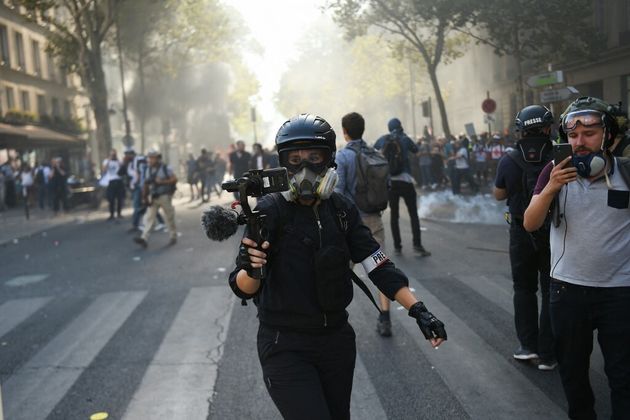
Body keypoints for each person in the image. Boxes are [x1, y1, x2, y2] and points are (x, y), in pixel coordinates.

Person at [228, 113, 447, 420]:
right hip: (285, 346)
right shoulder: (269, 211)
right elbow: (242, 286)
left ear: (329, 161)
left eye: (314, 157)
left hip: (336, 344)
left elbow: (377, 262)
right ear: (283, 164)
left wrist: (419, 310)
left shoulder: (342, 210)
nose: (304, 168)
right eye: (295, 158)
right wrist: (253, 268)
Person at [523, 97, 630, 419]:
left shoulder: (626, 173)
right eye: (573, 135)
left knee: (624, 377)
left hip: (620, 294)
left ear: (608, 135)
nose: (579, 142)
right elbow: (530, 222)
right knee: (573, 375)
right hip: (568, 292)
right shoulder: (553, 171)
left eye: (589, 133)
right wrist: (552, 187)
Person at [494, 105, 555, 370]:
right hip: (553, 231)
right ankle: (549, 353)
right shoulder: (558, 155)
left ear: (520, 129)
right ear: (547, 127)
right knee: (551, 290)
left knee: (524, 288)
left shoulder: (508, 159)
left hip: (520, 231)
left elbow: (499, 194)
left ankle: (527, 346)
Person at [335, 112, 392, 337]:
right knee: (380, 268)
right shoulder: (376, 154)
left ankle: (337, 320)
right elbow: (386, 186)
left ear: (344, 132)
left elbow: (337, 193)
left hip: (349, 225)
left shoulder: (342, 157)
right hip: (374, 220)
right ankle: (385, 318)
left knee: (341, 273)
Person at [374, 118, 430, 256]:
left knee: (394, 215)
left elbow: (374, 149)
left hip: (391, 182)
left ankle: (397, 246)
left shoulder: (384, 138)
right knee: (413, 214)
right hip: (406, 180)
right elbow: (416, 149)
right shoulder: (405, 139)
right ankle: (417, 245)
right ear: (400, 126)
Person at [134, 151, 178, 248]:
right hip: (153, 197)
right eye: (149, 158)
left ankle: (173, 236)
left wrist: (162, 181)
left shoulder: (165, 168)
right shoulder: (148, 170)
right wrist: (144, 198)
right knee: (149, 218)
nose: (150, 160)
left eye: (152, 158)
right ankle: (144, 238)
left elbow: (174, 179)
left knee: (169, 217)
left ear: (158, 158)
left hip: (164, 196)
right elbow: (146, 184)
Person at [102, 149, 125, 220]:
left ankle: (119, 213)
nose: (113, 156)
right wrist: (109, 160)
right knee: (111, 199)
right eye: (112, 154)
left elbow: (123, 167)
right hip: (111, 181)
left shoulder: (118, 161)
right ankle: (112, 214)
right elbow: (104, 170)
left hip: (119, 181)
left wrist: (117, 159)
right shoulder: (106, 161)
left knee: (120, 199)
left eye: (114, 154)